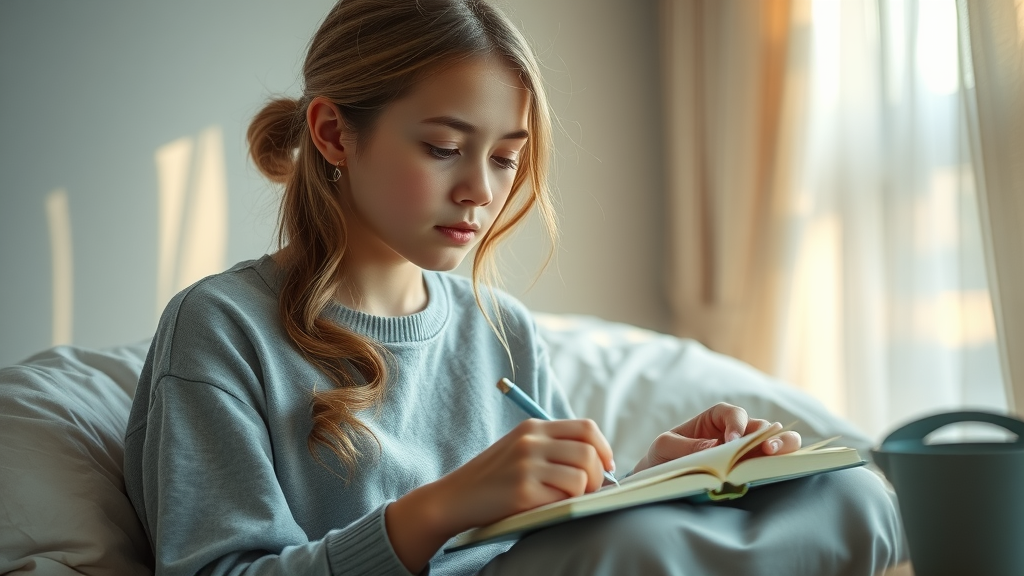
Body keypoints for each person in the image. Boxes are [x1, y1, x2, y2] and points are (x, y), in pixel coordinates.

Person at [123, 0, 904, 574]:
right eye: (442, 148)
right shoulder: (221, 328)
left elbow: (568, 528)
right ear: (333, 134)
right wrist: (437, 510)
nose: (480, 191)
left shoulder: (500, 328)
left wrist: (654, 476)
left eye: (503, 159)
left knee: (852, 496)